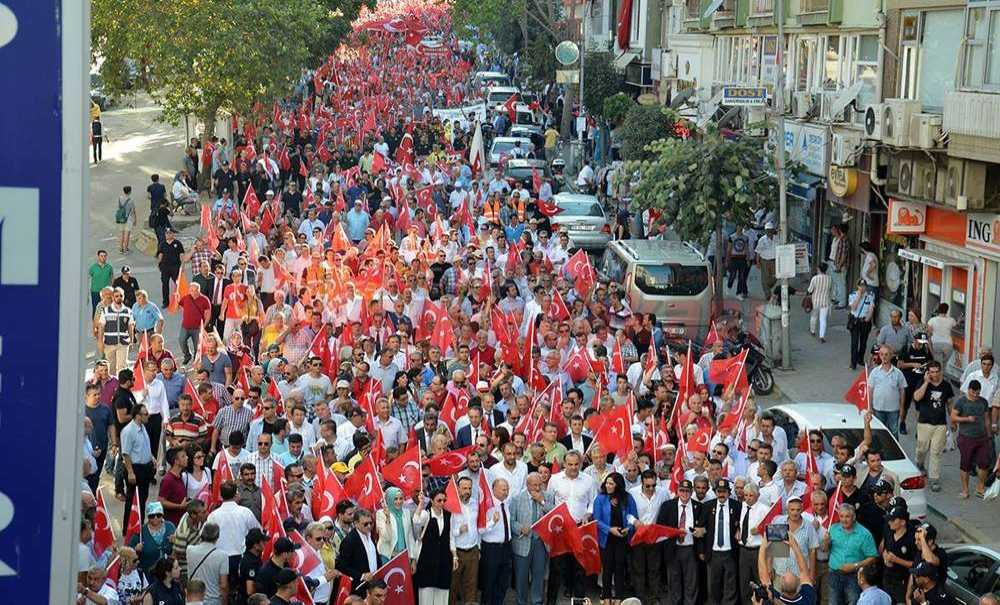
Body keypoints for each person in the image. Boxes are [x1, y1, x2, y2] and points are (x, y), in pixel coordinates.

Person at [656, 479, 704, 605]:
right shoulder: (668, 506)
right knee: (674, 582)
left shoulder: (698, 507)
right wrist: (674, 531)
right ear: (677, 491)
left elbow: (705, 528)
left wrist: (702, 530)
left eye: (688, 491)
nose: (685, 494)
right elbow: (660, 528)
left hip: (690, 549)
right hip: (673, 549)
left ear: (691, 492)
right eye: (682, 490)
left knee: (691, 583)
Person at [509, 472, 554, 605]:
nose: (537, 488)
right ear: (527, 485)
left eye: (539, 484)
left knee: (538, 575)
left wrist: (541, 501)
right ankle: (521, 601)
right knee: (521, 577)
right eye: (534, 485)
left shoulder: (548, 496)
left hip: (541, 543)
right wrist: (520, 528)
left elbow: (553, 514)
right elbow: (511, 521)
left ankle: (537, 601)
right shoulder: (517, 498)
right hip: (523, 542)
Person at [593, 472, 637, 603]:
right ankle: (606, 596)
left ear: (618, 485)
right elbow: (597, 520)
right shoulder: (600, 498)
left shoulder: (628, 498)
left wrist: (628, 529)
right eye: (607, 483)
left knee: (619, 567)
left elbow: (633, 517)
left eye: (611, 483)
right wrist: (610, 530)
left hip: (622, 538)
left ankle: (619, 597)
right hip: (606, 538)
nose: (608, 485)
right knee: (607, 567)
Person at [823, 503, 878, 605]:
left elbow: (873, 557)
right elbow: (825, 550)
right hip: (834, 573)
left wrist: (854, 566)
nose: (844, 520)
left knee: (853, 602)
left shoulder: (864, 534)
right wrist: (826, 543)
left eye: (847, 516)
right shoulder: (833, 529)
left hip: (854, 576)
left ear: (854, 517)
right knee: (833, 603)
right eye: (841, 516)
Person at [912, 360, 953, 492]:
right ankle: (920, 463)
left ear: (940, 371)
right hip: (924, 422)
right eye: (932, 372)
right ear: (928, 373)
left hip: (940, 424)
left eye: (937, 371)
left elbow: (949, 403)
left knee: (936, 452)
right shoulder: (923, 383)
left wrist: (953, 420)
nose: (935, 374)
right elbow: (917, 398)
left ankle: (934, 479)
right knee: (922, 448)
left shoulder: (946, 386)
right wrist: (926, 382)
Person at [699, 478, 740, 605]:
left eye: (724, 491)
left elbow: (742, 523)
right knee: (713, 585)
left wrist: (739, 529)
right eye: (719, 491)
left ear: (729, 492)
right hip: (713, 553)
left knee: (730, 585)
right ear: (715, 492)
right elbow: (701, 529)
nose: (721, 494)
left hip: (730, 553)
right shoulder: (707, 506)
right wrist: (701, 550)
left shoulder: (736, 506)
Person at [412, 488, 455, 605]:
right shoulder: (426, 514)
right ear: (431, 500)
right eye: (439, 500)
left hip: (443, 561)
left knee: (442, 595)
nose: (442, 503)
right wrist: (421, 504)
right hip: (427, 560)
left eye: (444, 500)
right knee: (426, 595)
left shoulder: (448, 515)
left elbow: (451, 537)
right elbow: (416, 522)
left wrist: (454, 556)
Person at [952, 379, 992, 499]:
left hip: (982, 438)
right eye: (973, 393)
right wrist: (966, 419)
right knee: (966, 465)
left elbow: (986, 419)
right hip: (966, 438)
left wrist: (989, 434)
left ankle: (980, 488)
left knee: (984, 464)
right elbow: (953, 417)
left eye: (978, 393)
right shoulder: (961, 402)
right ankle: (965, 490)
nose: (975, 395)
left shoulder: (983, 402)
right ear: (968, 390)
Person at [756, 532, 818, 605]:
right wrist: (795, 545)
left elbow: (763, 576)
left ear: (780, 586)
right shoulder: (808, 597)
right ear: (799, 583)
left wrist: (763, 547)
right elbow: (804, 572)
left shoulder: (772, 598)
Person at [479, 478, 513, 605]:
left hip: (506, 547)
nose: (506, 492)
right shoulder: (487, 505)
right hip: (491, 549)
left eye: (507, 489)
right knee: (489, 582)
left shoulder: (506, 504)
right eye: (504, 489)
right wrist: (492, 522)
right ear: (494, 489)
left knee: (502, 582)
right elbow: (481, 529)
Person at [336, 508, 379, 593]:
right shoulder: (349, 541)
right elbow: (342, 566)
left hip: (373, 583)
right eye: (365, 524)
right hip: (359, 587)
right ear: (356, 523)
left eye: (371, 523)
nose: (369, 526)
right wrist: (361, 576)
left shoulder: (369, 535)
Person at [186, 522, 230, 605]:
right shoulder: (222, 556)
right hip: (213, 600)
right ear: (217, 537)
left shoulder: (190, 550)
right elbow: (223, 585)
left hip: (193, 599)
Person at [867, 345, 906, 438]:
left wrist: (902, 408)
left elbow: (902, 391)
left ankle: (894, 452)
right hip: (878, 408)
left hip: (893, 409)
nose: (884, 357)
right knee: (879, 433)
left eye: (886, 354)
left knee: (893, 432)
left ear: (891, 355)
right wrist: (870, 407)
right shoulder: (874, 372)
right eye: (881, 354)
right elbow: (870, 390)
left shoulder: (898, 373)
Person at [847, 281, 876, 371]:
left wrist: (869, 316)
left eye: (864, 286)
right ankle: (853, 362)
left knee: (863, 342)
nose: (862, 288)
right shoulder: (852, 295)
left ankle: (860, 359)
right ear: (857, 286)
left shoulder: (870, 296)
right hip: (855, 321)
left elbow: (871, 308)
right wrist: (859, 297)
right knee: (854, 343)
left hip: (865, 321)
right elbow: (853, 308)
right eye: (860, 286)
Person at [808, 263, 833, 342]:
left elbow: (810, 290)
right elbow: (831, 291)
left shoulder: (815, 278)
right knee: (823, 319)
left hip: (815, 301)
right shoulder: (829, 279)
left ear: (819, 269)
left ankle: (812, 331)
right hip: (825, 302)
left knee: (814, 316)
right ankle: (821, 336)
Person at [89, 250, 114, 314]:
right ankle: (95, 323)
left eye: (105, 256)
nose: (103, 257)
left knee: (106, 309)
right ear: (98, 257)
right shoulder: (93, 267)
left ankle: (105, 323)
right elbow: (88, 278)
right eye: (101, 256)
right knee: (96, 308)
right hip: (95, 291)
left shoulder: (109, 267)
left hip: (106, 292)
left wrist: (112, 290)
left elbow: (112, 278)